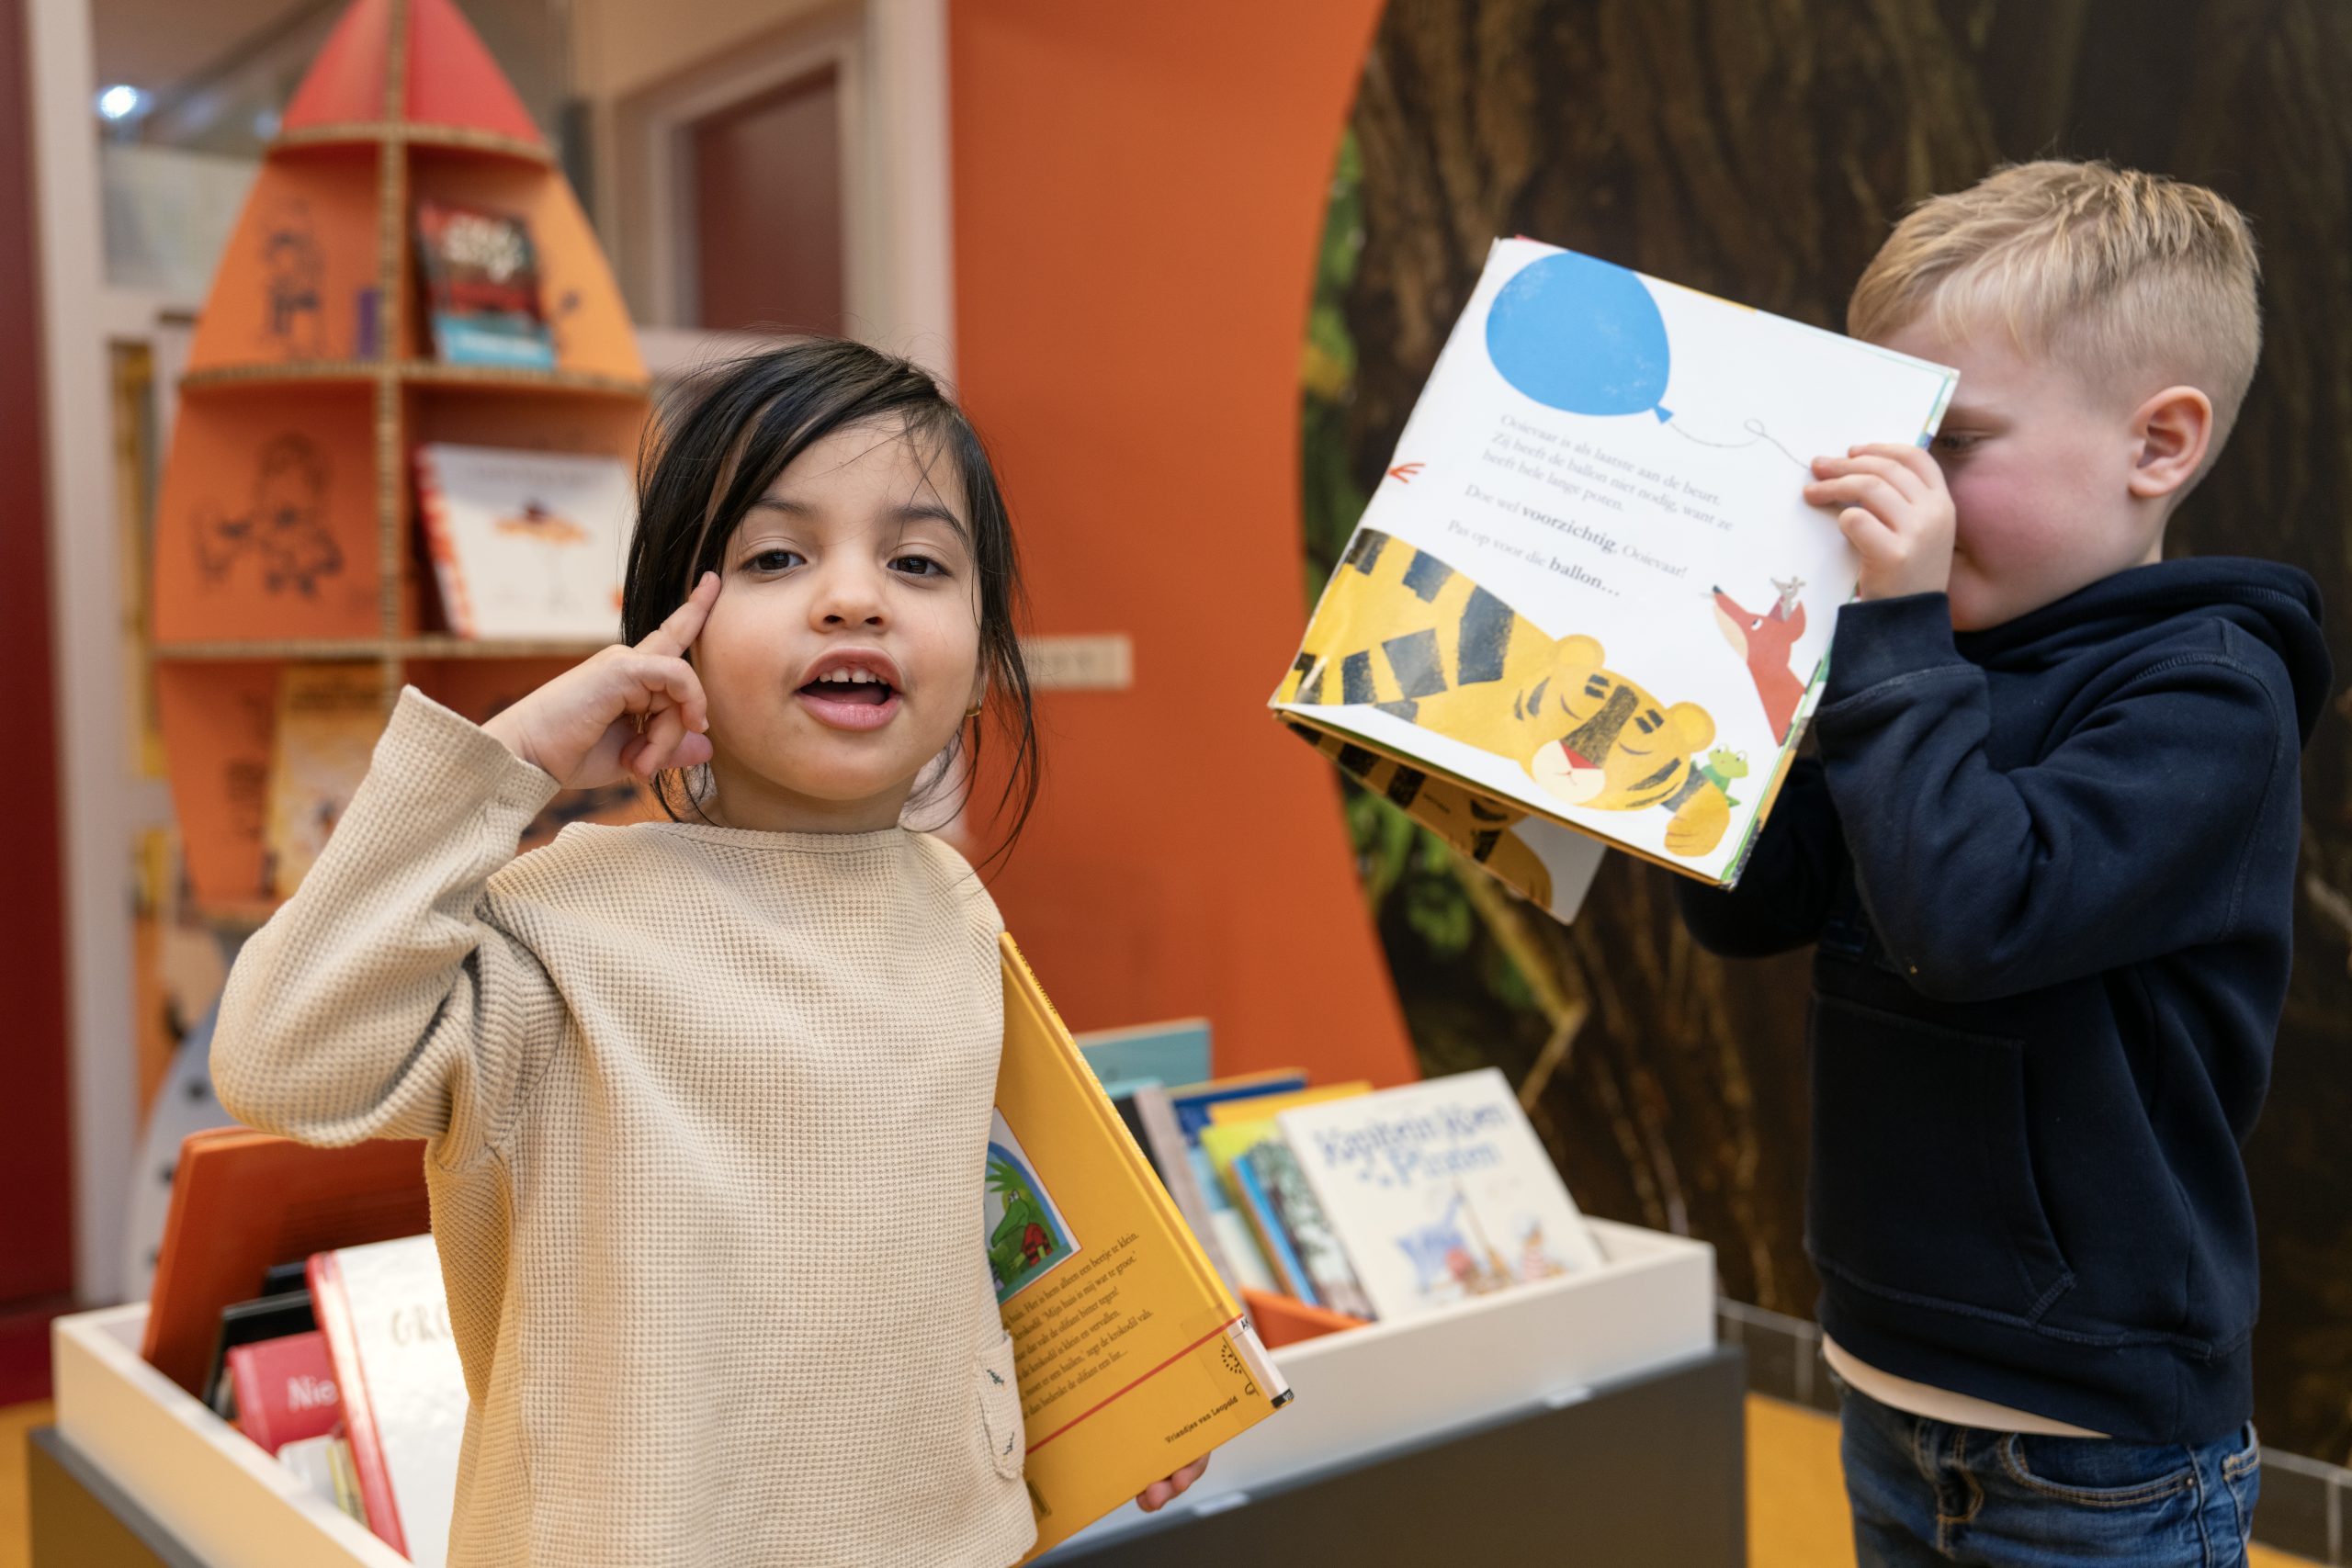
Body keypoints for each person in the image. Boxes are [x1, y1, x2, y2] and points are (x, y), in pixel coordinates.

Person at [210, 339, 1207, 1567]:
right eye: (777, 556)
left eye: (918, 561)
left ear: (986, 660)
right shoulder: (559, 923)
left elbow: (977, 1227)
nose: (855, 597)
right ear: (665, 643)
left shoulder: (951, 904)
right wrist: (506, 763)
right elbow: (283, 1058)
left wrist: (1127, 1394)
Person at [1678, 161, 2330, 1565]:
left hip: (2092, 1445)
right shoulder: (1910, 656)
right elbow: (1759, 909)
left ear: (2158, 446)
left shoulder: (2210, 695)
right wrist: (1697, 736)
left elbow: (1971, 915)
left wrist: (1897, 641)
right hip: (1886, 1375)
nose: (1887, 488)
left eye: (1949, 442)